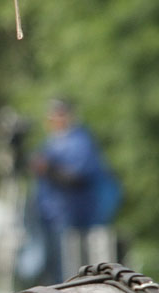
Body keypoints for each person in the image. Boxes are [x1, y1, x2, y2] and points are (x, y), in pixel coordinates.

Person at [30, 98, 120, 283]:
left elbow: (77, 178)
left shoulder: (80, 142)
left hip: (74, 218)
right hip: (52, 216)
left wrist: (48, 169)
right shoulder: (51, 142)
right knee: (53, 267)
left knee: (71, 269)